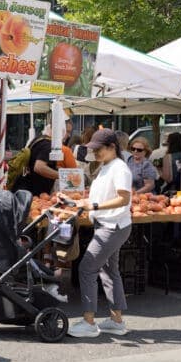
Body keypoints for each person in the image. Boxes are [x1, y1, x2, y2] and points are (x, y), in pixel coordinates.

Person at [59, 128, 132, 339]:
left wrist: (94, 206)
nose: (95, 153)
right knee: (109, 271)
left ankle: (89, 322)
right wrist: (75, 201)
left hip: (112, 226)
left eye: (98, 149)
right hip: (109, 224)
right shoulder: (107, 166)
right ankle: (116, 320)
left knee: (87, 268)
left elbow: (123, 199)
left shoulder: (120, 168)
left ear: (112, 147)